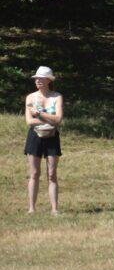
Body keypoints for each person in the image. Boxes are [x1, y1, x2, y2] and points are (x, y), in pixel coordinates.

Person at [24, 66, 63, 214]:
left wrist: (39, 114)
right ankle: (31, 208)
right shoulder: (30, 97)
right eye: (36, 79)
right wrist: (49, 119)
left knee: (52, 174)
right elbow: (29, 121)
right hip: (34, 136)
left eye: (41, 78)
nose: (37, 81)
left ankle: (54, 209)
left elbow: (58, 119)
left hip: (52, 136)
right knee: (34, 173)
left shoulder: (57, 97)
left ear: (48, 80)